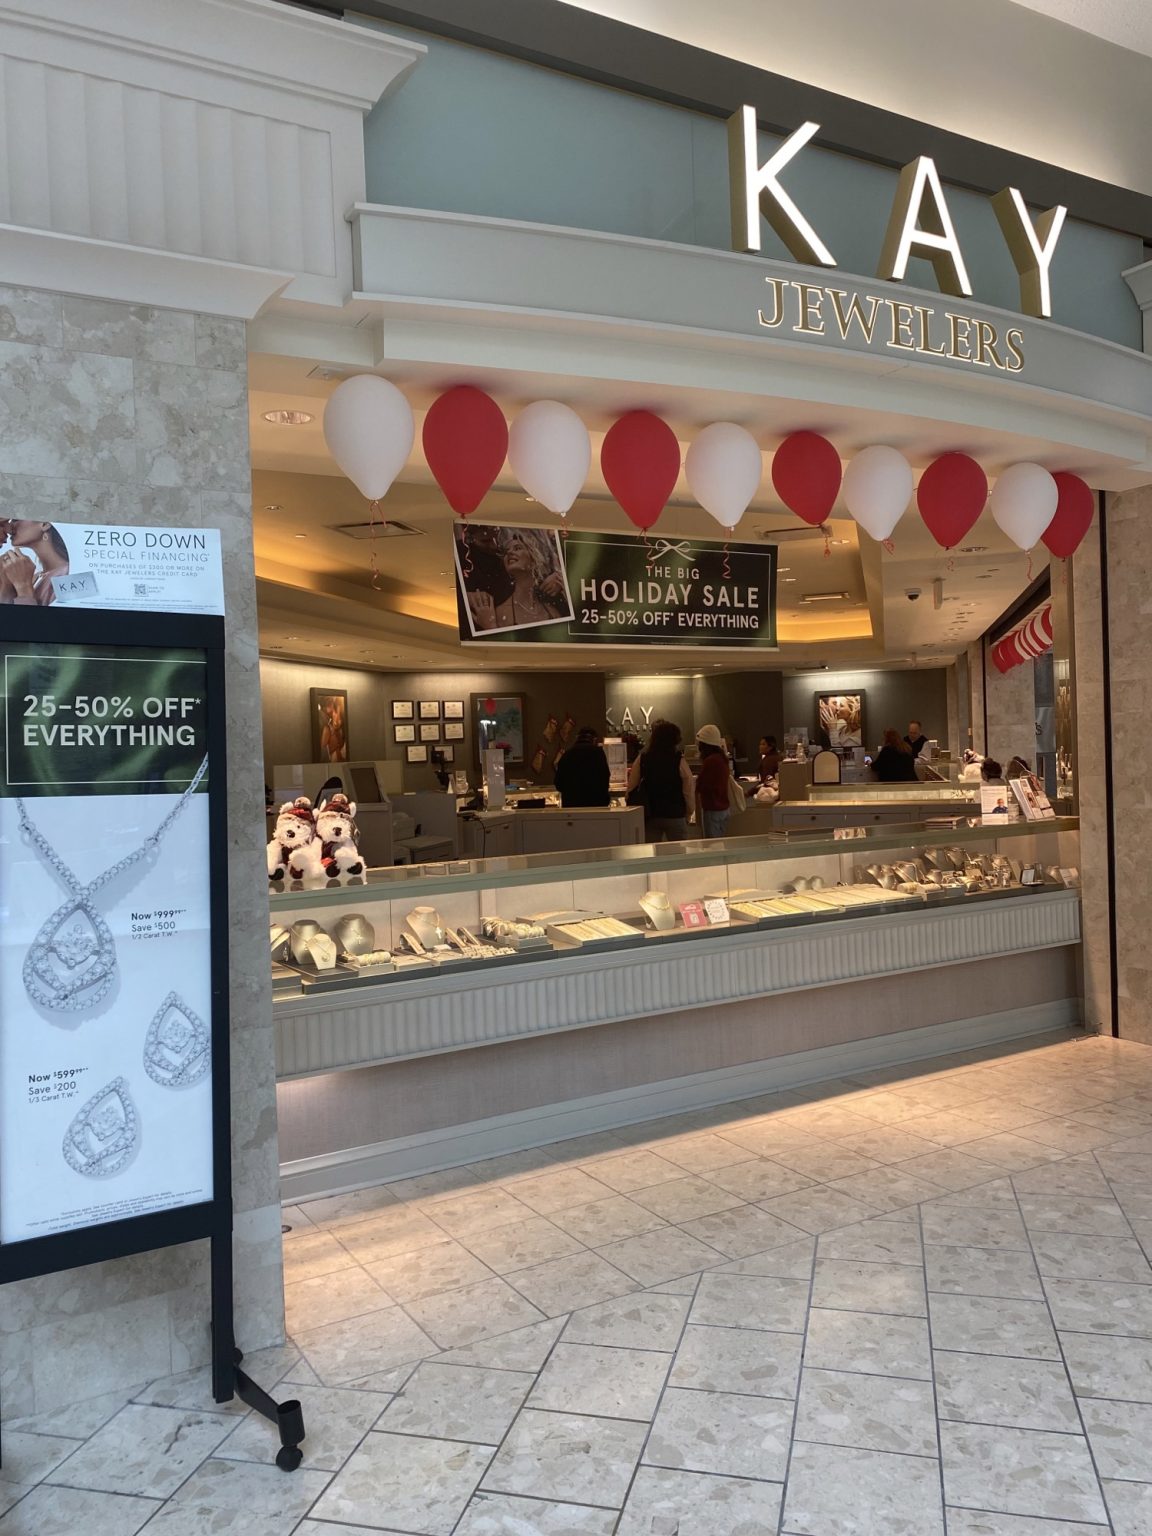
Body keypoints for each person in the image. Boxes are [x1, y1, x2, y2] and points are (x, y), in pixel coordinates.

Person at [466, 530, 568, 631]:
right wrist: (490, 628)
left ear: (534, 558)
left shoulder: (552, 612)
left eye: (517, 548)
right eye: (506, 552)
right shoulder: (499, 613)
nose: (509, 552)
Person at [627, 719, 695, 841]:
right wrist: (689, 811)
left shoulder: (643, 758)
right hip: (675, 814)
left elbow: (632, 786)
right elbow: (688, 788)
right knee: (679, 850)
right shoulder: (678, 760)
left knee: (651, 851)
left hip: (651, 814)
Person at [0, 519, 70, 605]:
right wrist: (7, 586)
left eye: (15, 520)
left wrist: (23, 588)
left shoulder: (68, 576)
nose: (9, 529)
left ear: (44, 524)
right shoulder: (34, 577)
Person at [554, 727, 610, 808]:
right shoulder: (598, 753)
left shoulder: (567, 754)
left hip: (572, 807)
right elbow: (605, 777)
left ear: (577, 738)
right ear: (594, 739)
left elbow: (558, 784)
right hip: (596, 805)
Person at [694, 723, 731, 837]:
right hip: (723, 808)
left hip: (713, 809)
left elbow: (703, 785)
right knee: (720, 843)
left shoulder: (710, 761)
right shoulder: (722, 759)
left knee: (712, 844)